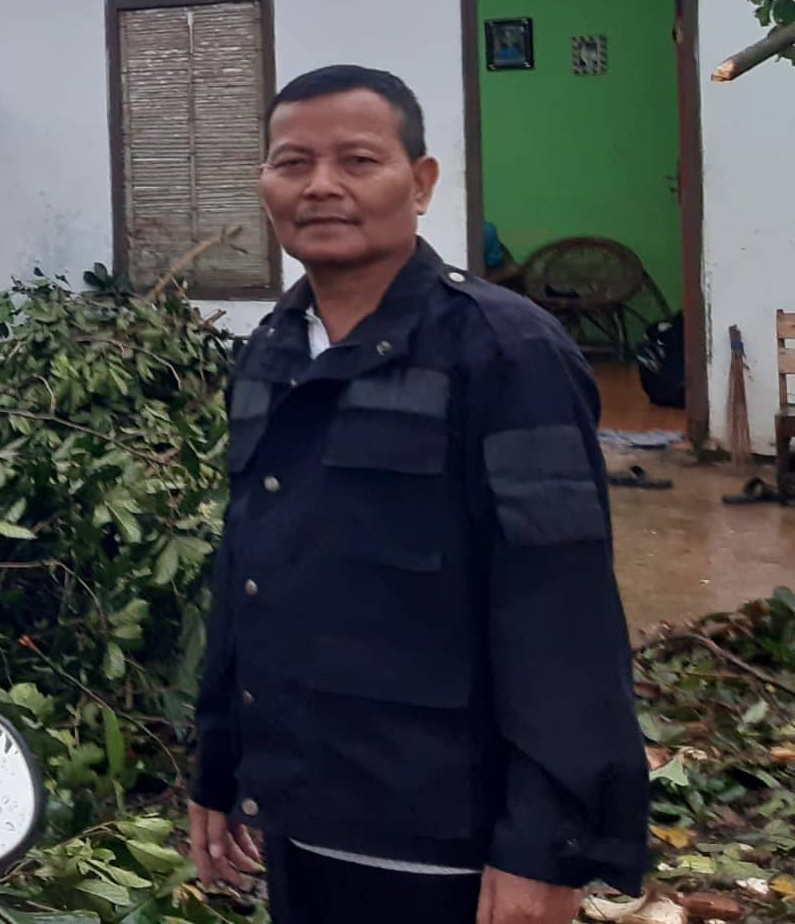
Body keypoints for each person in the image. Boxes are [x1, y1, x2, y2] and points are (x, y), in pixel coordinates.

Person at [187, 65, 648, 924]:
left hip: (445, 844)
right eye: (293, 163)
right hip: (302, 817)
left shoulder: (504, 353)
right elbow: (247, 570)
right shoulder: (272, 353)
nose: (321, 186)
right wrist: (220, 763)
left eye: (358, 161)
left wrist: (546, 847)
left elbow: (561, 613)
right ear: (265, 184)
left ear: (421, 182)